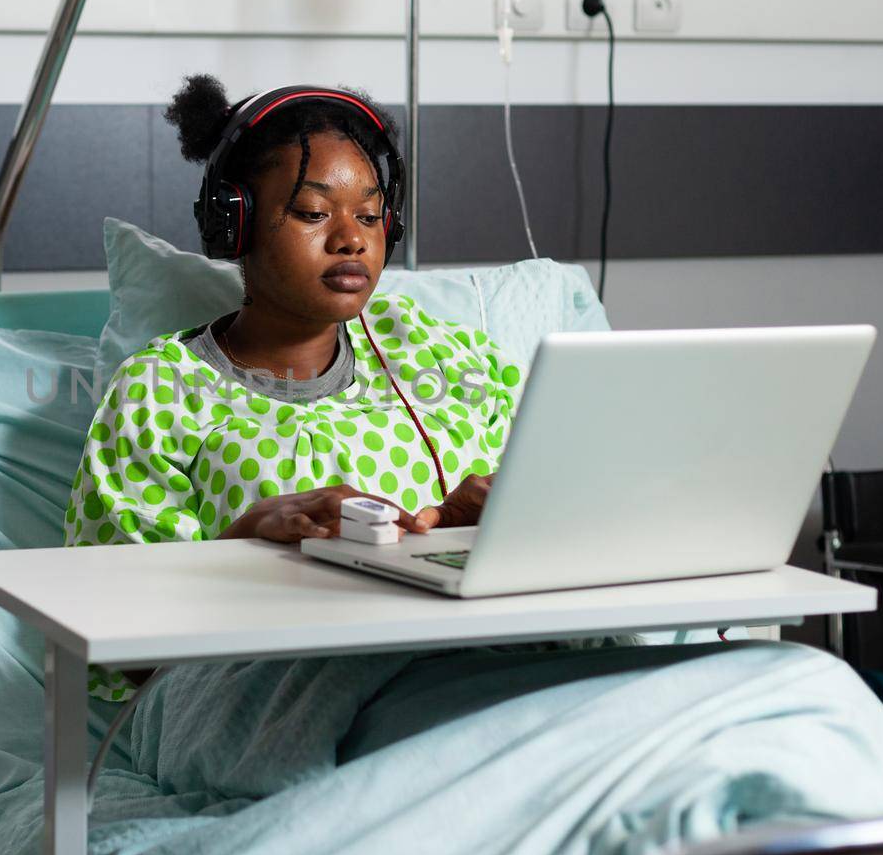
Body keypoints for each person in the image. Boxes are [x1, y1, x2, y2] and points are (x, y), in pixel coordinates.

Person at [64, 75, 538, 700]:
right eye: (314, 214)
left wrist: (487, 522)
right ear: (234, 225)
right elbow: (116, 652)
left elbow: (560, 522)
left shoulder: (444, 358)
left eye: (370, 215)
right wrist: (247, 534)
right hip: (261, 697)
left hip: (485, 670)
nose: (352, 239)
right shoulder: (161, 391)